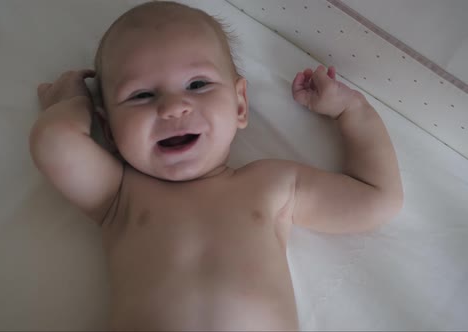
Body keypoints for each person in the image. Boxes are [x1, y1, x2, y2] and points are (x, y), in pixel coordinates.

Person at [30, 1, 403, 330]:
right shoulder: (118, 195)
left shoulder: (274, 184)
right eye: (142, 95)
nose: (174, 107)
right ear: (109, 130)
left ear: (240, 106)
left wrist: (351, 111)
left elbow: (377, 199)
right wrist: (69, 103)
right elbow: (55, 142)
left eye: (197, 84)